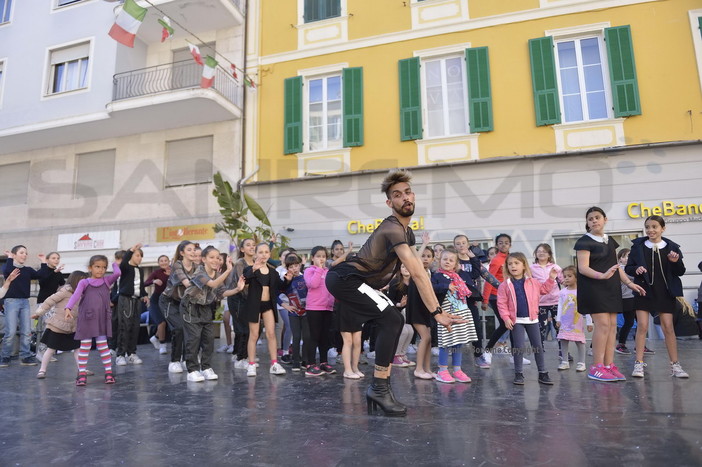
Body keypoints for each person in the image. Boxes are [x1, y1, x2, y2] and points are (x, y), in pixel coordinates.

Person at [325, 170, 463, 417]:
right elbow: (418, 273)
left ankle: (380, 387)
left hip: (359, 282)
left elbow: (416, 273)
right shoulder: (392, 228)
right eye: (397, 195)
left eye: (408, 192)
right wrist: (437, 312)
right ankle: (379, 388)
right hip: (344, 279)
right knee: (393, 319)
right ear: (390, 203)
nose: (405, 198)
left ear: (414, 196)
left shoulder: (406, 231)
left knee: (393, 319)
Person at [575, 206, 645, 382]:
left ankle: (608, 365)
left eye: (597, 217)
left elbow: (616, 266)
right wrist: (602, 275)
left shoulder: (610, 241)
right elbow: (583, 268)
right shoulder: (584, 242)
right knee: (603, 325)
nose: (594, 221)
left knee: (613, 325)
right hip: (594, 288)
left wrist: (629, 283)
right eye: (590, 219)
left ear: (605, 219)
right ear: (587, 223)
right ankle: (596, 367)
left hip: (611, 288)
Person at [626, 215, 689, 379]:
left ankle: (675, 365)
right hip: (643, 290)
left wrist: (675, 262)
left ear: (663, 228)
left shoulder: (672, 247)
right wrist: (636, 269)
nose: (650, 230)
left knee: (668, 327)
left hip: (665, 292)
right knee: (642, 326)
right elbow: (629, 268)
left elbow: (680, 271)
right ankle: (638, 364)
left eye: (654, 226)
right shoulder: (638, 246)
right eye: (647, 227)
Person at [181, 246, 244, 382]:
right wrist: (228, 270)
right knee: (193, 339)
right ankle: (192, 370)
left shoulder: (217, 274)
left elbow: (222, 292)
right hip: (190, 307)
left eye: (218, 258)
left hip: (205, 307)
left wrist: (237, 289)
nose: (215, 260)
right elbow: (213, 284)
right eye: (212, 257)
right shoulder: (200, 272)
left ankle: (206, 368)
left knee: (208, 340)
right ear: (203, 259)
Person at [497, 252, 557, 386]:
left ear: (524, 266)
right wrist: (506, 318)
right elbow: (501, 303)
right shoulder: (504, 285)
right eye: (510, 263)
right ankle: (518, 373)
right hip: (516, 321)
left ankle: (542, 373)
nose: (513, 266)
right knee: (518, 347)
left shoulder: (533, 282)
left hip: (532, 319)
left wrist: (551, 278)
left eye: (517, 263)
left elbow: (545, 290)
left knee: (538, 347)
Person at [64, 255, 122, 385]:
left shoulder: (107, 281)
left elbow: (118, 273)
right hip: (87, 319)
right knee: (85, 347)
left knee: (103, 347)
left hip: (101, 319)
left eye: (103, 267)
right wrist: (68, 307)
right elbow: (76, 295)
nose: (100, 270)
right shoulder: (84, 282)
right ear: (90, 268)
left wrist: (114, 264)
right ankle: (82, 374)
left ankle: (108, 373)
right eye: (97, 267)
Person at [243, 243, 292, 377]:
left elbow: (280, 287)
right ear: (256, 254)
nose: (263, 255)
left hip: (268, 305)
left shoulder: (273, 272)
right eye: (261, 252)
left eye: (266, 252)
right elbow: (245, 280)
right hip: (254, 305)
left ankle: (274, 363)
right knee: (253, 335)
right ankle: (251, 364)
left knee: (271, 334)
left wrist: (287, 280)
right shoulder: (250, 269)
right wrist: (254, 268)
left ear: (269, 255)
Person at [431, 249, 477, 384]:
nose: (447, 262)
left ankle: (457, 370)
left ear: (455, 264)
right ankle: (442, 371)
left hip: (460, 312)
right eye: (445, 259)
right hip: (445, 315)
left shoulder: (458, 276)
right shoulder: (436, 276)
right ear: (440, 261)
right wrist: (446, 286)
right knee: (445, 343)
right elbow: (431, 288)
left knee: (459, 342)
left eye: (451, 260)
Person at [32, 271, 89, 379]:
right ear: (76, 281)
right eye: (82, 281)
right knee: (51, 349)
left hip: (73, 327)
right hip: (58, 326)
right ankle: (42, 370)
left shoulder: (82, 294)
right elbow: (50, 301)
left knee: (78, 349)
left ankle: (82, 369)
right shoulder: (65, 291)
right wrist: (38, 313)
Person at [1, 245, 43, 367]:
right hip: (11, 302)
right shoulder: (9, 267)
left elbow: (40, 275)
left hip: (24, 302)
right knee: (11, 331)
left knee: (26, 331)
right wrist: (9, 257)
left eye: (26, 253)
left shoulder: (28, 270)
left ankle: (25, 356)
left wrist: (44, 262)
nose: (25, 255)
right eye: (21, 252)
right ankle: (5, 356)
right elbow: (8, 272)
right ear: (14, 255)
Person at [160, 241, 197, 374]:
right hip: (169, 301)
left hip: (183, 302)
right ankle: (174, 361)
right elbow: (187, 283)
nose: (193, 252)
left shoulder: (197, 267)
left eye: (194, 249)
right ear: (182, 253)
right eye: (189, 250)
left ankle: (186, 359)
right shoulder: (177, 265)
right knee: (179, 328)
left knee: (189, 330)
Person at [303, 246, 336, 376]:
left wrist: (331, 303)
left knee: (325, 337)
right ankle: (310, 364)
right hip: (314, 308)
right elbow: (313, 284)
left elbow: (330, 289)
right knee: (314, 336)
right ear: (312, 258)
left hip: (327, 308)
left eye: (323, 256)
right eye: (318, 256)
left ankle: (323, 362)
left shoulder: (328, 272)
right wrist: (319, 269)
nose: (321, 259)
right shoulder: (309, 271)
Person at [115, 243, 148, 366]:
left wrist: (145, 295)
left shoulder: (140, 270)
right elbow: (123, 262)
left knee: (135, 327)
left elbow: (141, 285)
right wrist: (131, 250)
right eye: (137, 255)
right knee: (124, 326)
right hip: (126, 300)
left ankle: (132, 353)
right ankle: (120, 355)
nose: (139, 258)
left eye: (141, 256)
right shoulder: (125, 268)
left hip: (136, 300)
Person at [555, 266, 592, 372]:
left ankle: (581, 363)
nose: (566, 278)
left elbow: (587, 307)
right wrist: (558, 319)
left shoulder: (581, 292)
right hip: (565, 321)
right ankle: (565, 361)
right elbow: (560, 306)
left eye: (569, 276)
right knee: (563, 340)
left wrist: (589, 322)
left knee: (579, 341)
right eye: (565, 276)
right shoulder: (562, 292)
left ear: (576, 277)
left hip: (577, 322)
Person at [406, 245, 434, 379]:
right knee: (426, 337)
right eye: (423, 256)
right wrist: (423, 244)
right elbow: (414, 258)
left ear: (433, 259)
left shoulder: (430, 274)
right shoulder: (415, 271)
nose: (425, 259)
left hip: (426, 310)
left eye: (429, 256)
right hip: (416, 309)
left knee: (429, 339)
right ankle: (418, 369)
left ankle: (427, 368)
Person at [278, 253, 309, 372]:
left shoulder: (305, 277)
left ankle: (305, 360)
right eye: (291, 267)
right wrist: (284, 304)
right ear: (287, 268)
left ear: (300, 265)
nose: (294, 269)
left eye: (296, 265)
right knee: (296, 337)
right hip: (293, 313)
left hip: (307, 312)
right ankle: (296, 361)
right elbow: (275, 293)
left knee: (306, 337)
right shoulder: (286, 280)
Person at [229, 238, 256, 369]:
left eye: (253, 245)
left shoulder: (257, 262)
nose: (252, 247)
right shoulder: (240, 263)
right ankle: (240, 358)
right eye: (248, 245)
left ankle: (244, 355)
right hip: (237, 298)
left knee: (249, 329)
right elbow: (242, 283)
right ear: (242, 249)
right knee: (242, 329)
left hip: (250, 299)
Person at [387, 264, 415, 369]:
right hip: (395, 312)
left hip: (407, 313)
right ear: (400, 269)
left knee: (411, 330)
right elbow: (389, 300)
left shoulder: (414, 282)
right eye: (403, 266)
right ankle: (395, 355)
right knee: (403, 331)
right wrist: (399, 304)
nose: (406, 269)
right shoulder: (395, 282)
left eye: (408, 266)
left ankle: (402, 355)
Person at [145, 255, 170, 355]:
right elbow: (145, 283)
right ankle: (162, 345)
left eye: (165, 260)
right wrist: (153, 281)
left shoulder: (173, 272)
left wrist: (171, 275)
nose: (163, 262)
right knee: (162, 323)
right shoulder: (156, 273)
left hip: (167, 301)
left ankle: (155, 337)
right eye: (161, 261)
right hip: (155, 301)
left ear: (169, 262)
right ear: (158, 263)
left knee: (167, 322)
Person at [615, 249, 636, 355]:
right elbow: (631, 277)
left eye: (629, 256)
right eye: (625, 256)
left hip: (632, 297)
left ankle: (639, 345)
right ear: (620, 259)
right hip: (624, 298)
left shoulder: (631, 268)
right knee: (627, 322)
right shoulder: (620, 268)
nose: (628, 258)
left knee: (633, 322)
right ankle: (620, 344)